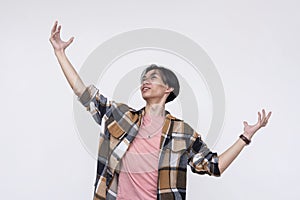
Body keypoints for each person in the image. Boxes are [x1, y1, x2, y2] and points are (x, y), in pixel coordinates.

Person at [49, 21, 272, 200]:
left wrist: (246, 137)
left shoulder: (182, 132)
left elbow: (214, 166)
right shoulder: (123, 117)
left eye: (152, 77)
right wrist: (60, 53)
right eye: (144, 78)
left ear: (168, 88)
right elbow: (85, 95)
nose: (145, 81)